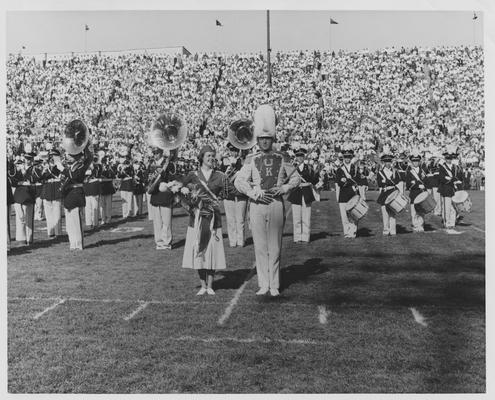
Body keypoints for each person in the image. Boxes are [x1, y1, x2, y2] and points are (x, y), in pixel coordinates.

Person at [235, 104, 300, 296]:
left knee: (275, 246)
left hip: (275, 204)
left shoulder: (283, 157)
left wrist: (284, 188)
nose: (264, 142)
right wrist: (254, 192)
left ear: (272, 139)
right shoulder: (251, 158)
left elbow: (296, 178)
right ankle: (263, 284)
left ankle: (274, 285)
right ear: (258, 140)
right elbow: (239, 181)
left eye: (267, 139)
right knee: (260, 247)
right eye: (262, 139)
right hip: (256, 205)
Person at [180, 144, 229, 295]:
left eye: (213, 156)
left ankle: (210, 285)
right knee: (199, 251)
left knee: (211, 252)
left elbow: (226, 193)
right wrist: (188, 203)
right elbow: (180, 191)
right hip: (196, 220)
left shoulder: (220, 176)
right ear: (201, 158)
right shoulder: (192, 175)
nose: (211, 158)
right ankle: (202, 285)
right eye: (208, 156)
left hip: (214, 219)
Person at [57, 120, 93, 250]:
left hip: (76, 193)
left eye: (70, 155)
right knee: (69, 221)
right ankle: (73, 243)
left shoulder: (81, 165)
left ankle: (78, 244)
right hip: (68, 194)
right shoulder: (69, 165)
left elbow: (74, 176)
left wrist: (87, 143)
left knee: (76, 221)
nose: (67, 157)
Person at [287, 147, 319, 243]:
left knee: (306, 217)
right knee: (296, 217)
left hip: (306, 192)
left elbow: (314, 180)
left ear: (304, 156)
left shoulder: (309, 167)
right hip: (295, 192)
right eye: (298, 156)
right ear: (295, 157)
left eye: (301, 155)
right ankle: (297, 237)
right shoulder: (291, 167)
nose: (300, 157)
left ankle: (305, 237)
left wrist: (317, 173)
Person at [149, 147, 178, 250]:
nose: (155, 155)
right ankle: (159, 242)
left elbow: (173, 179)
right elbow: (148, 179)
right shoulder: (151, 165)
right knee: (157, 222)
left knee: (166, 221)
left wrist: (165, 179)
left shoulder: (169, 164)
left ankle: (166, 242)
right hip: (155, 195)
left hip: (165, 195)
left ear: (161, 152)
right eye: (154, 153)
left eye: (156, 153)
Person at [221, 149, 249, 248]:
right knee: (230, 219)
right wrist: (228, 168)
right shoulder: (225, 162)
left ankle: (241, 241)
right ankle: (232, 241)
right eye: (232, 150)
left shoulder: (244, 162)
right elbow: (221, 178)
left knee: (240, 219)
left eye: (235, 150)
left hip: (241, 193)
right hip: (228, 194)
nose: (234, 152)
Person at [13, 152, 36, 245]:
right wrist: (18, 170)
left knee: (28, 218)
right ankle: (20, 238)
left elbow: (33, 179)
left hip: (28, 195)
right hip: (19, 195)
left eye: (30, 159)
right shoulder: (18, 169)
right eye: (26, 159)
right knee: (19, 218)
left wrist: (24, 172)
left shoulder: (34, 168)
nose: (28, 161)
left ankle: (29, 238)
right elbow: (13, 180)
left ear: (32, 160)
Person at [438, 146, 463, 230]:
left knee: (454, 207)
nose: (448, 159)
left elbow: (458, 177)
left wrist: (456, 181)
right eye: (447, 158)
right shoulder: (442, 167)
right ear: (445, 158)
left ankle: (452, 222)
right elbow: (442, 178)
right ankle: (446, 222)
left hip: (453, 189)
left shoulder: (455, 167)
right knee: (446, 207)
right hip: (446, 189)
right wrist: (451, 179)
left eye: (450, 158)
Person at [335, 148, 358, 238]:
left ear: (351, 158)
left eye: (349, 157)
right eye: (346, 157)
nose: (347, 159)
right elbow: (339, 183)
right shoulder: (340, 170)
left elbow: (357, 180)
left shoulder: (354, 168)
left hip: (353, 194)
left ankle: (353, 232)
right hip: (343, 195)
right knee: (344, 216)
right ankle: (346, 232)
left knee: (353, 215)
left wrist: (346, 181)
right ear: (343, 158)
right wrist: (348, 181)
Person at [377, 152, 401, 236]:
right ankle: (386, 230)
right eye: (386, 162)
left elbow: (397, 180)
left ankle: (393, 231)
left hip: (392, 192)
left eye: (389, 161)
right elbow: (380, 183)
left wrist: (386, 181)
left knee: (392, 213)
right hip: (384, 193)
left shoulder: (394, 171)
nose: (388, 163)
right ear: (383, 162)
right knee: (385, 214)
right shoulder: (380, 172)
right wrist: (388, 182)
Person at [40, 148, 63, 238]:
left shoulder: (60, 166)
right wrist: (44, 170)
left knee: (57, 212)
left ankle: (58, 232)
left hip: (56, 189)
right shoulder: (45, 166)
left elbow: (58, 174)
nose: (52, 158)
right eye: (52, 156)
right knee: (48, 213)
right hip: (47, 190)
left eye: (55, 156)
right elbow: (41, 178)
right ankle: (50, 231)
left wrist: (55, 165)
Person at [406, 152, 427, 232]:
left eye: (417, 161)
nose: (416, 163)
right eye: (414, 161)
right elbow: (408, 184)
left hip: (422, 193)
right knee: (414, 211)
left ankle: (421, 225)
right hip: (414, 193)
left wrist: (423, 185)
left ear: (419, 162)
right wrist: (417, 185)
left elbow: (426, 181)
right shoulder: (409, 171)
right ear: (412, 162)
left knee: (421, 211)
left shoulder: (423, 171)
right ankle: (415, 225)